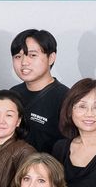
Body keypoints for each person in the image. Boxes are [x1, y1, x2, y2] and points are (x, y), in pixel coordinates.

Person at [9, 28, 67, 157]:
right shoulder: (13, 94)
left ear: (51, 58)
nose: (24, 62)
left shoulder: (65, 97)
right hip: (13, 172)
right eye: (18, 56)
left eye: (32, 55)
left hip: (47, 173)